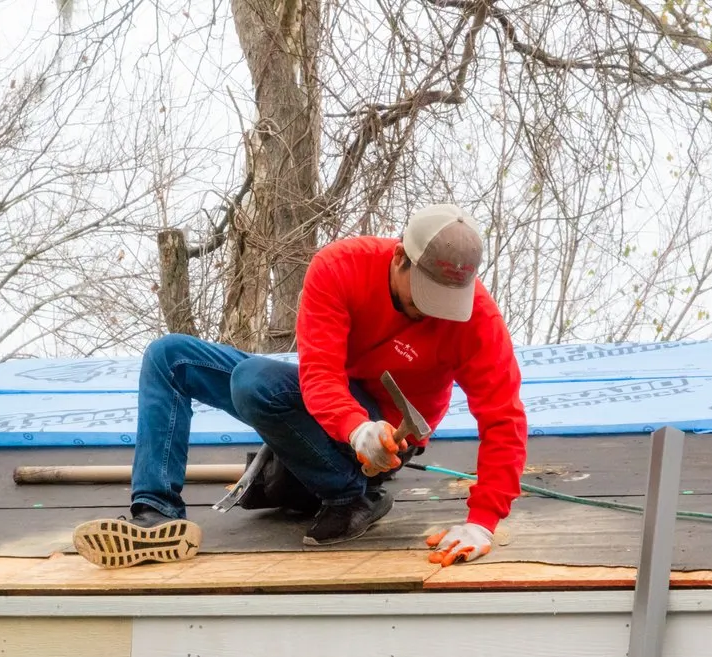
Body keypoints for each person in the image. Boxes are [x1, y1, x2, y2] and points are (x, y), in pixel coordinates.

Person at [72, 203, 528, 569]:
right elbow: (320, 376)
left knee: (252, 381)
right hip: (338, 414)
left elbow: (503, 417)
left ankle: (354, 497)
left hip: (388, 439)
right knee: (170, 357)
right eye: (423, 296)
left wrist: (483, 521)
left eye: (445, 301)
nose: (432, 312)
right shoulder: (340, 268)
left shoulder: (474, 320)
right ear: (398, 258)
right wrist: (353, 427)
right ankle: (156, 515)